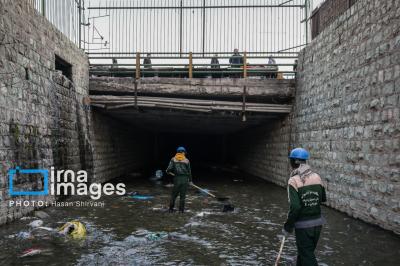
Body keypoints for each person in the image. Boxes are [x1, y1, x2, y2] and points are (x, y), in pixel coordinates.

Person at [282, 148, 326, 266]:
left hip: (303, 227)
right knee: (305, 253)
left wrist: (287, 227)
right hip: (318, 224)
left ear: (293, 162)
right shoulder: (317, 177)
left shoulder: (293, 181)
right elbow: (322, 199)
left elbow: (295, 208)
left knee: (307, 256)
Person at [166, 146, 193, 213]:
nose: (185, 153)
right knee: (182, 196)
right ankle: (181, 211)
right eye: (184, 152)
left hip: (177, 179)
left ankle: (170, 209)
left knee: (173, 195)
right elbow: (189, 172)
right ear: (183, 152)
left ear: (177, 152)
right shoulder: (187, 160)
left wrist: (170, 172)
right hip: (184, 179)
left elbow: (168, 170)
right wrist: (190, 181)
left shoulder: (173, 159)